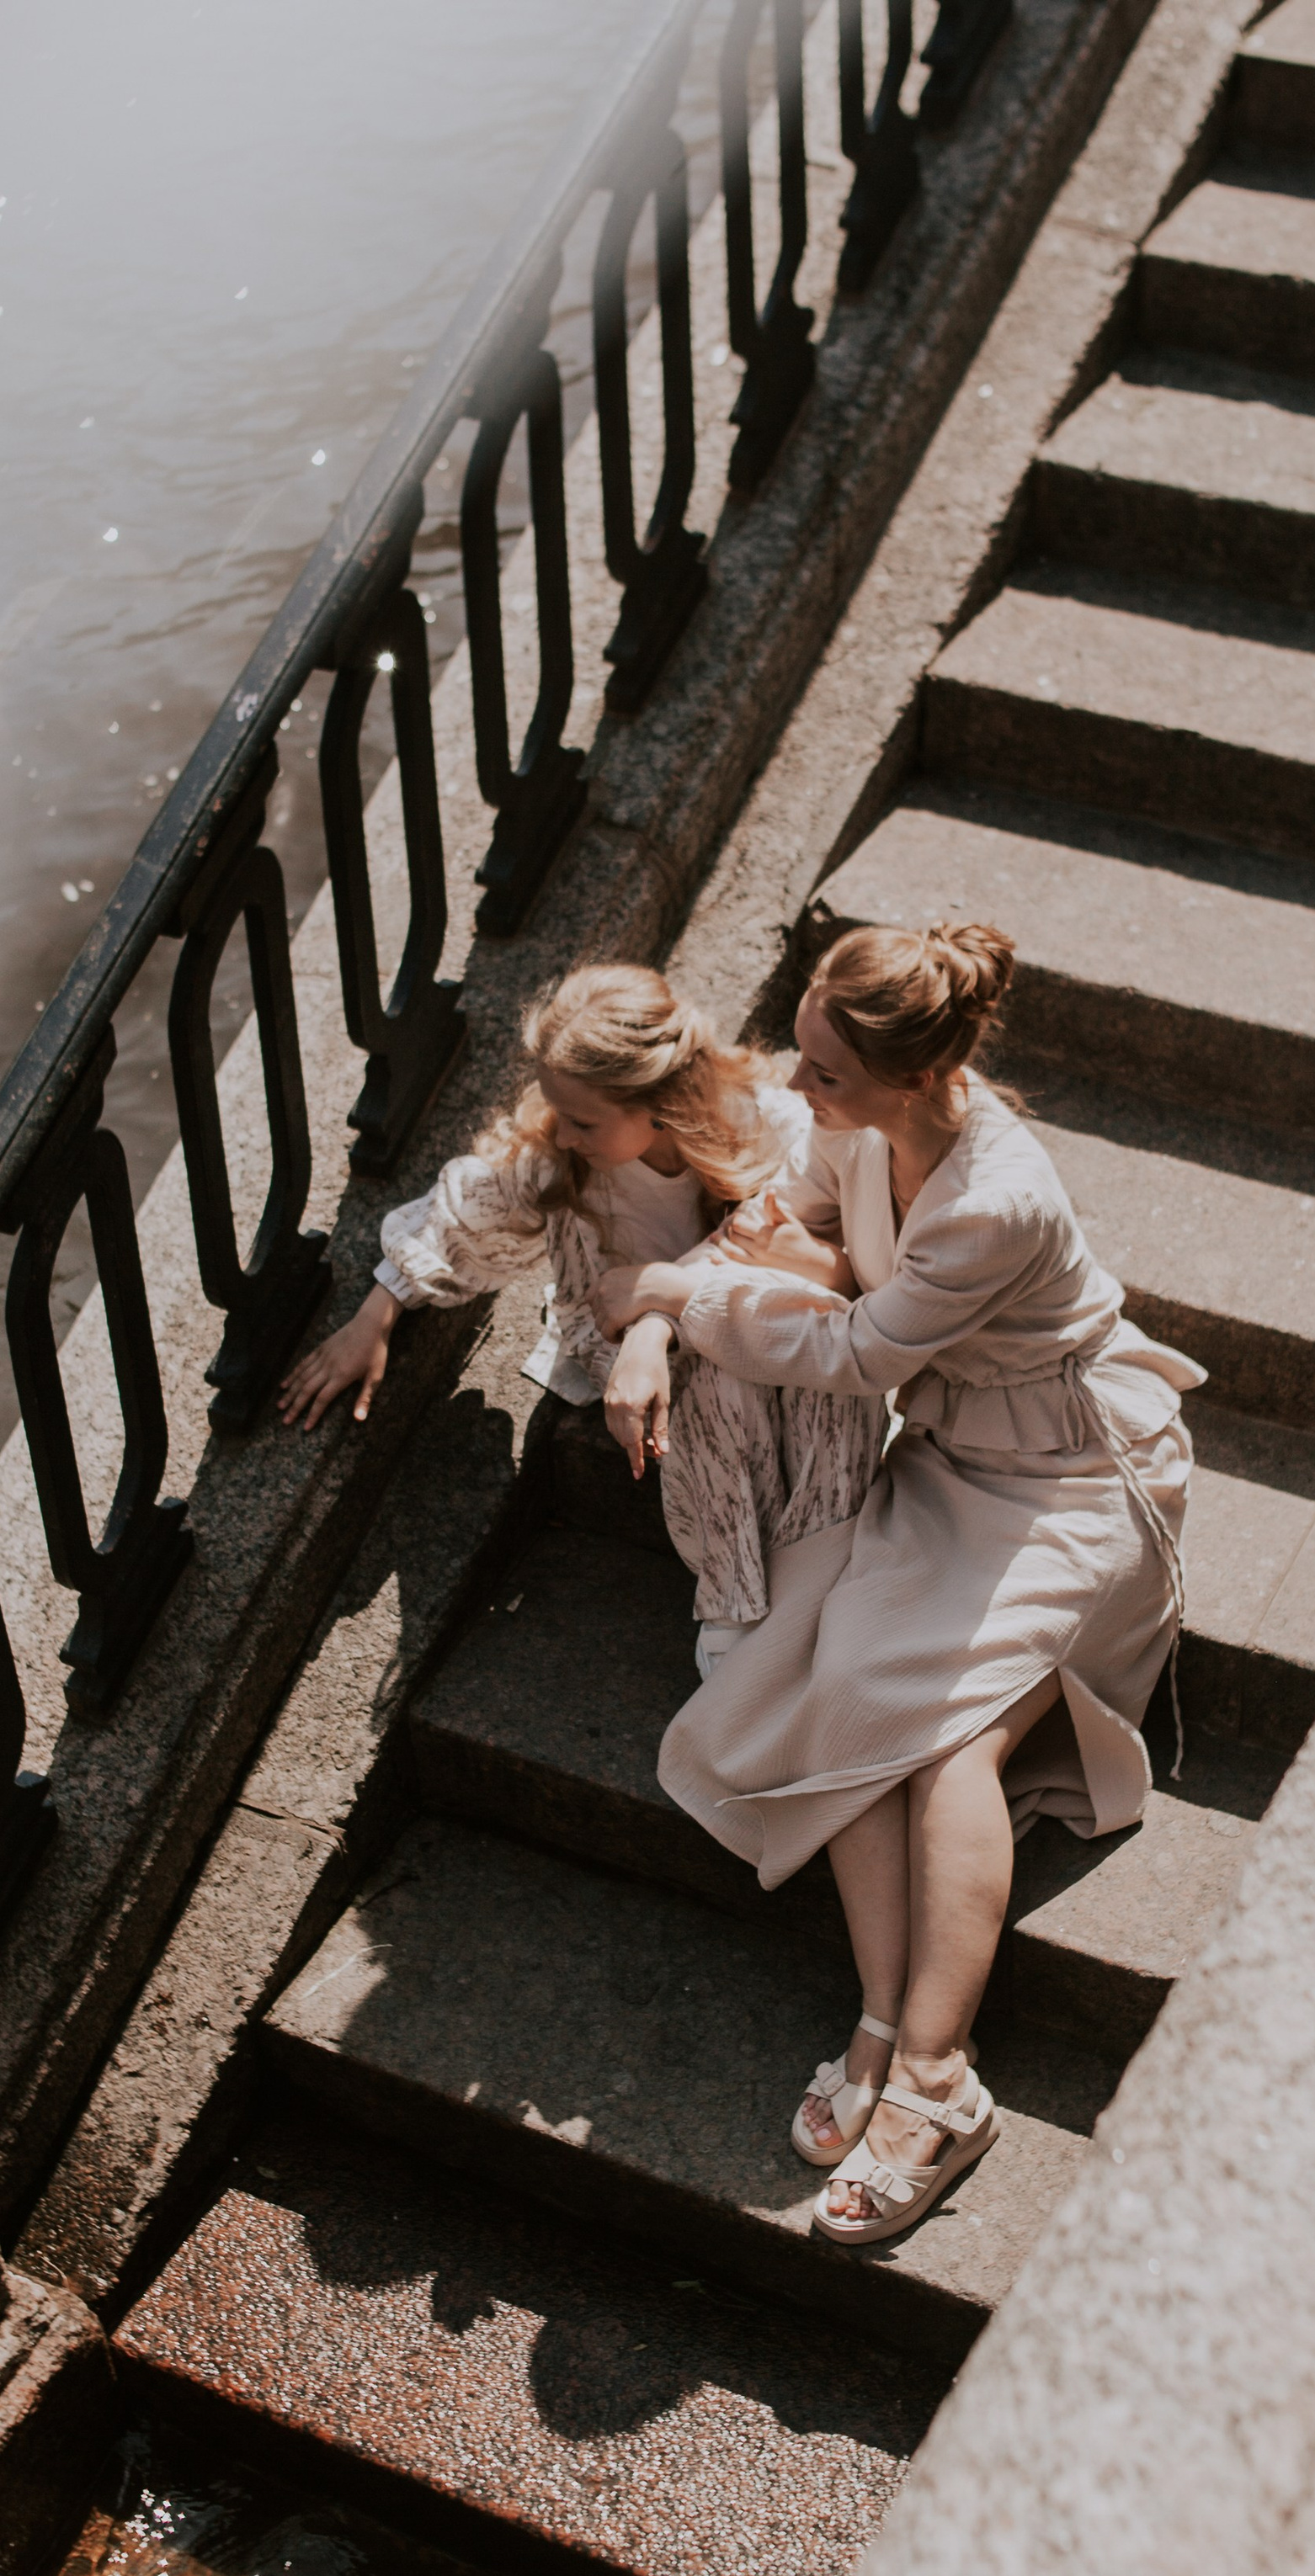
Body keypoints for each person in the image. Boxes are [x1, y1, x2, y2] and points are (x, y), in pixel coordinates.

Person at [596, 920, 1201, 2245]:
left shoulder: (999, 1198)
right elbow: (789, 1223)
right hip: (950, 1463)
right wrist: (657, 1310)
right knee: (855, 1685)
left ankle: (939, 2080)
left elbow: (860, 1352)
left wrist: (674, 1302)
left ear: (919, 1078)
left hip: (1072, 1481)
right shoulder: (859, 1125)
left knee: (947, 1753)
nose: (798, 1093)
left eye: (825, 1076)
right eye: (805, 1058)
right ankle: (878, 2018)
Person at [280, 964, 882, 1669]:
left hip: (752, 1317)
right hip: (622, 1339)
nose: (564, 1134)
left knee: (794, 1341)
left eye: (584, 1119)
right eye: (557, 1111)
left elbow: (836, 1268)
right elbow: (461, 1213)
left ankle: (828, 1573)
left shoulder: (767, 1123)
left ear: (659, 1103)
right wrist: (375, 1314)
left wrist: (676, 1303)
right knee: (723, 1376)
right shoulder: (560, 1163)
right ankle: (737, 1603)